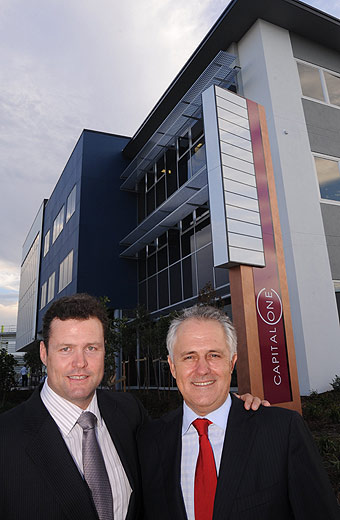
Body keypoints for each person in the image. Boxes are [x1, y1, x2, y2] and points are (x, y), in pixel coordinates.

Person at [0, 294, 262, 520]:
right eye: (66, 349)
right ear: (44, 353)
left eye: (91, 348)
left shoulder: (128, 413)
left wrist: (231, 409)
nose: (79, 363)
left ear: (104, 351)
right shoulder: (7, 438)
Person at [137, 305, 340, 520]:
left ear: (232, 363)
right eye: (189, 357)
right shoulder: (148, 441)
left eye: (214, 355)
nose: (202, 369)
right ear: (172, 366)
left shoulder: (282, 431)